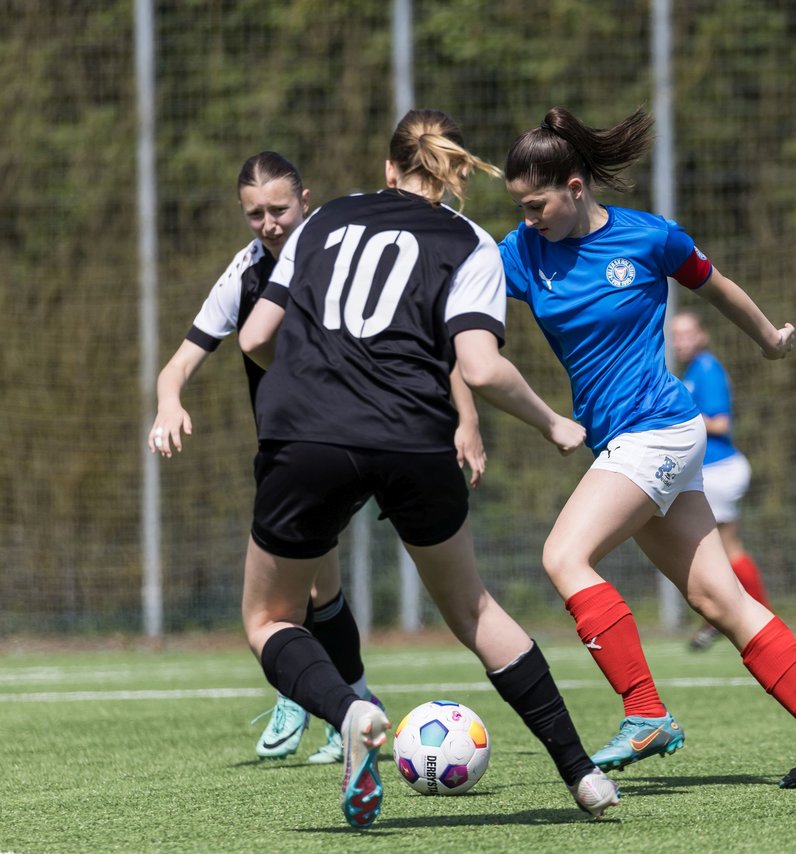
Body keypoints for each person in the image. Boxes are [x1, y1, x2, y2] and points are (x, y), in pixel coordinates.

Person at [236, 109, 620, 828]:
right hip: (415, 438)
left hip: (308, 436)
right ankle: (584, 775)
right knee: (474, 611)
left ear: (388, 169)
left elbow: (257, 335)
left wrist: (306, 382)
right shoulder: (472, 242)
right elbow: (479, 365)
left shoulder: (326, 220)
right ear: (453, 176)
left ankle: (350, 711)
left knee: (268, 618)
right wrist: (552, 421)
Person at [498, 106, 796, 789]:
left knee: (563, 555)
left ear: (576, 187)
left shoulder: (648, 238)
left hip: (660, 429)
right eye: (520, 207)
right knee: (716, 597)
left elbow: (716, 285)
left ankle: (645, 713)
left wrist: (766, 337)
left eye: (537, 204)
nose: (530, 219)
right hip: (625, 444)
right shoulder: (522, 254)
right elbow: (464, 289)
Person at [147, 152, 405, 764]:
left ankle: (313, 692)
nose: (268, 223)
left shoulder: (339, 252)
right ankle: (344, 699)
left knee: (294, 593)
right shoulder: (244, 274)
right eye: (255, 213)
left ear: (306, 200)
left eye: (279, 209)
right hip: (285, 453)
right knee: (319, 585)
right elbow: (178, 364)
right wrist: (168, 403)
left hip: (339, 443)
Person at [669, 310, 774, 651]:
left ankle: (760, 622)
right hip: (711, 471)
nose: (681, 341)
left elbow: (719, 424)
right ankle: (722, 620)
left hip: (719, 470)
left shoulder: (708, 369)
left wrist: (679, 416)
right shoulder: (694, 371)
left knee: (721, 552)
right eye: (676, 335)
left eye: (687, 333)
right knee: (718, 552)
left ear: (703, 335)